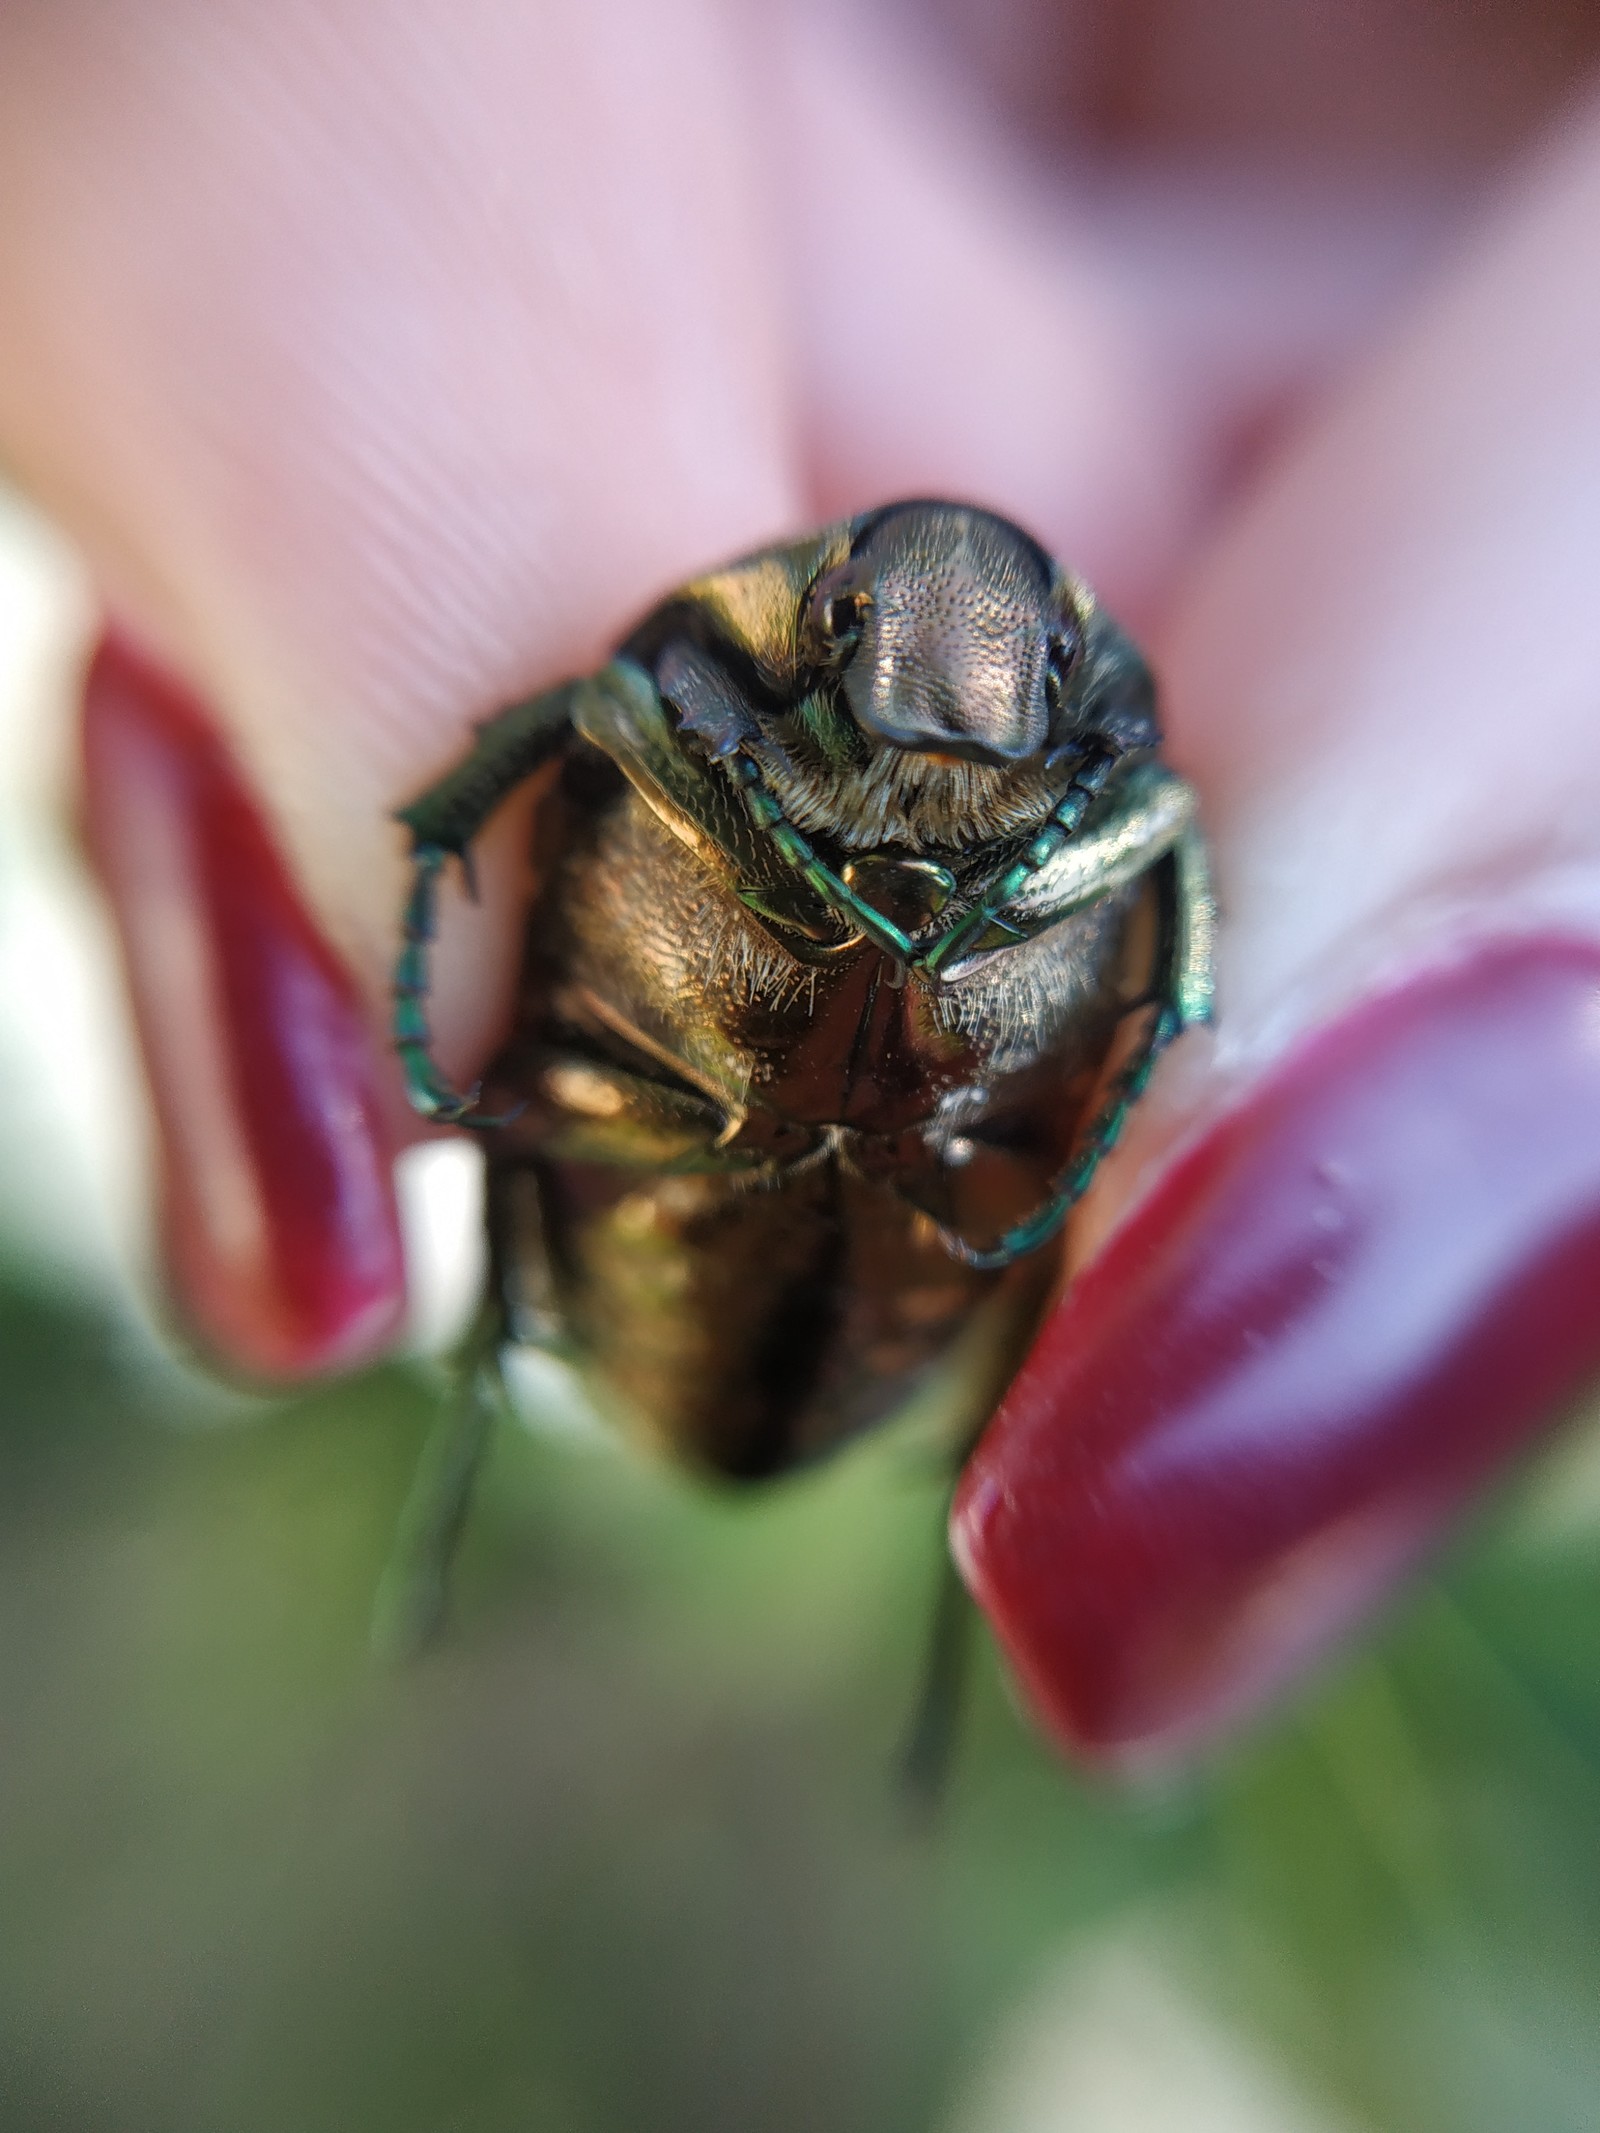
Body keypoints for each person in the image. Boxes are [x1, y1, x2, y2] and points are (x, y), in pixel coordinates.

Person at [5, 0, 1600, 1764]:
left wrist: (1209, 1021)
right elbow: (589, 703)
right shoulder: (681, 700)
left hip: (892, 1243)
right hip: (670, 1180)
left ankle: (911, 1587)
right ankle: (492, 1451)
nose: (950, 731)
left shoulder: (1125, 800)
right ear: (815, 638)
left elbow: (1173, 886)